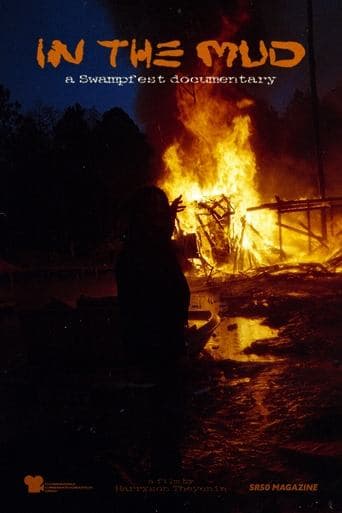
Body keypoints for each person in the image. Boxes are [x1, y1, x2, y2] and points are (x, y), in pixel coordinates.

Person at [115, 186, 190, 477]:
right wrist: (174, 351)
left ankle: (164, 475)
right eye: (153, 210)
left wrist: (169, 216)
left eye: (163, 209)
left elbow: (159, 236)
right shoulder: (137, 256)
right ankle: (163, 485)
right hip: (156, 351)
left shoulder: (156, 247)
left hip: (166, 348)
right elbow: (143, 312)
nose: (161, 216)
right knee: (162, 421)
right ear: (139, 217)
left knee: (167, 422)